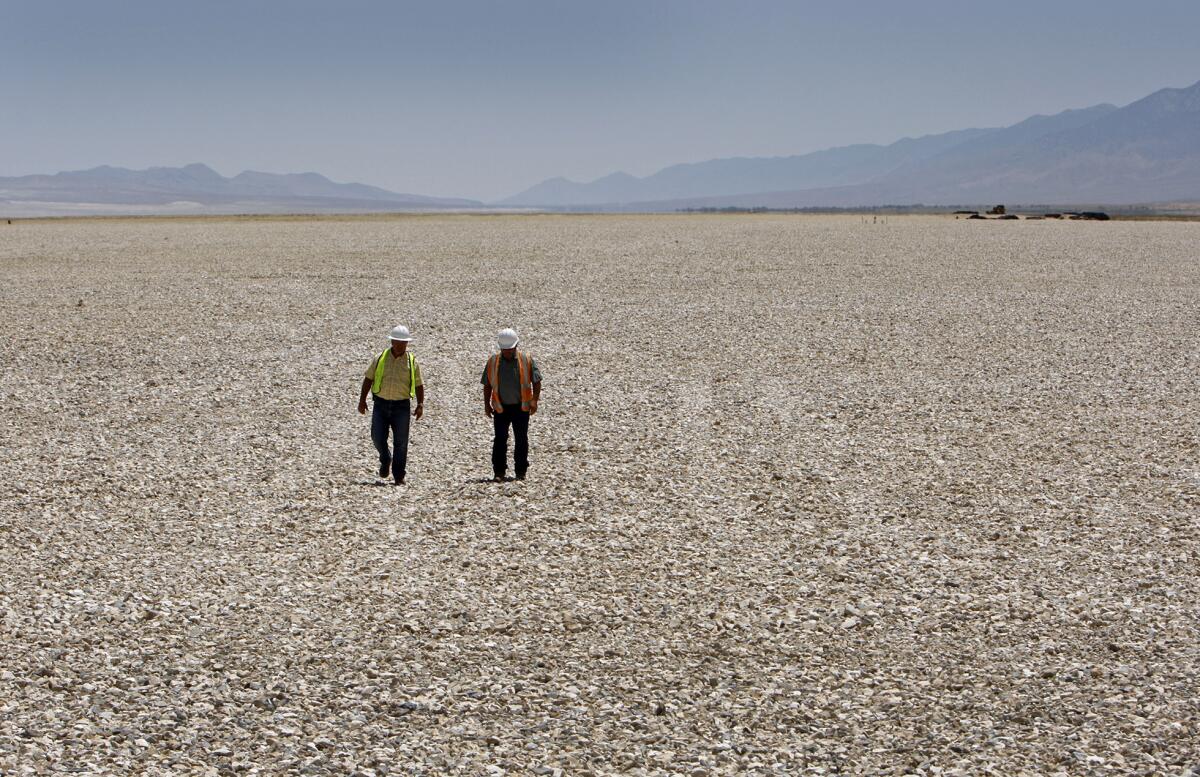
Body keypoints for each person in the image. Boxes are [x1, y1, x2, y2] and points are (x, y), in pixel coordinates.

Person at [358, 325, 425, 485]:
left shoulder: (412, 361)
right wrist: (362, 400)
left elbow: (418, 384)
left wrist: (420, 404)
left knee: (401, 442)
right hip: (380, 404)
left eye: (404, 342)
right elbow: (368, 378)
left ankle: (399, 475)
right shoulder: (380, 358)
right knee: (376, 437)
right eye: (398, 342)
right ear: (392, 341)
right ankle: (385, 458)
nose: (401, 345)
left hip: (401, 406)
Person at [482, 328, 542, 482]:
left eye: (510, 349)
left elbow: (537, 380)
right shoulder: (493, 361)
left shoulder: (526, 360)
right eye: (504, 350)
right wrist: (487, 404)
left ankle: (521, 471)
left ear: (516, 346)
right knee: (500, 439)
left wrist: (534, 400)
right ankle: (499, 471)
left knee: (521, 439)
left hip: (521, 408)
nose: (507, 352)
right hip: (501, 408)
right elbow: (487, 384)